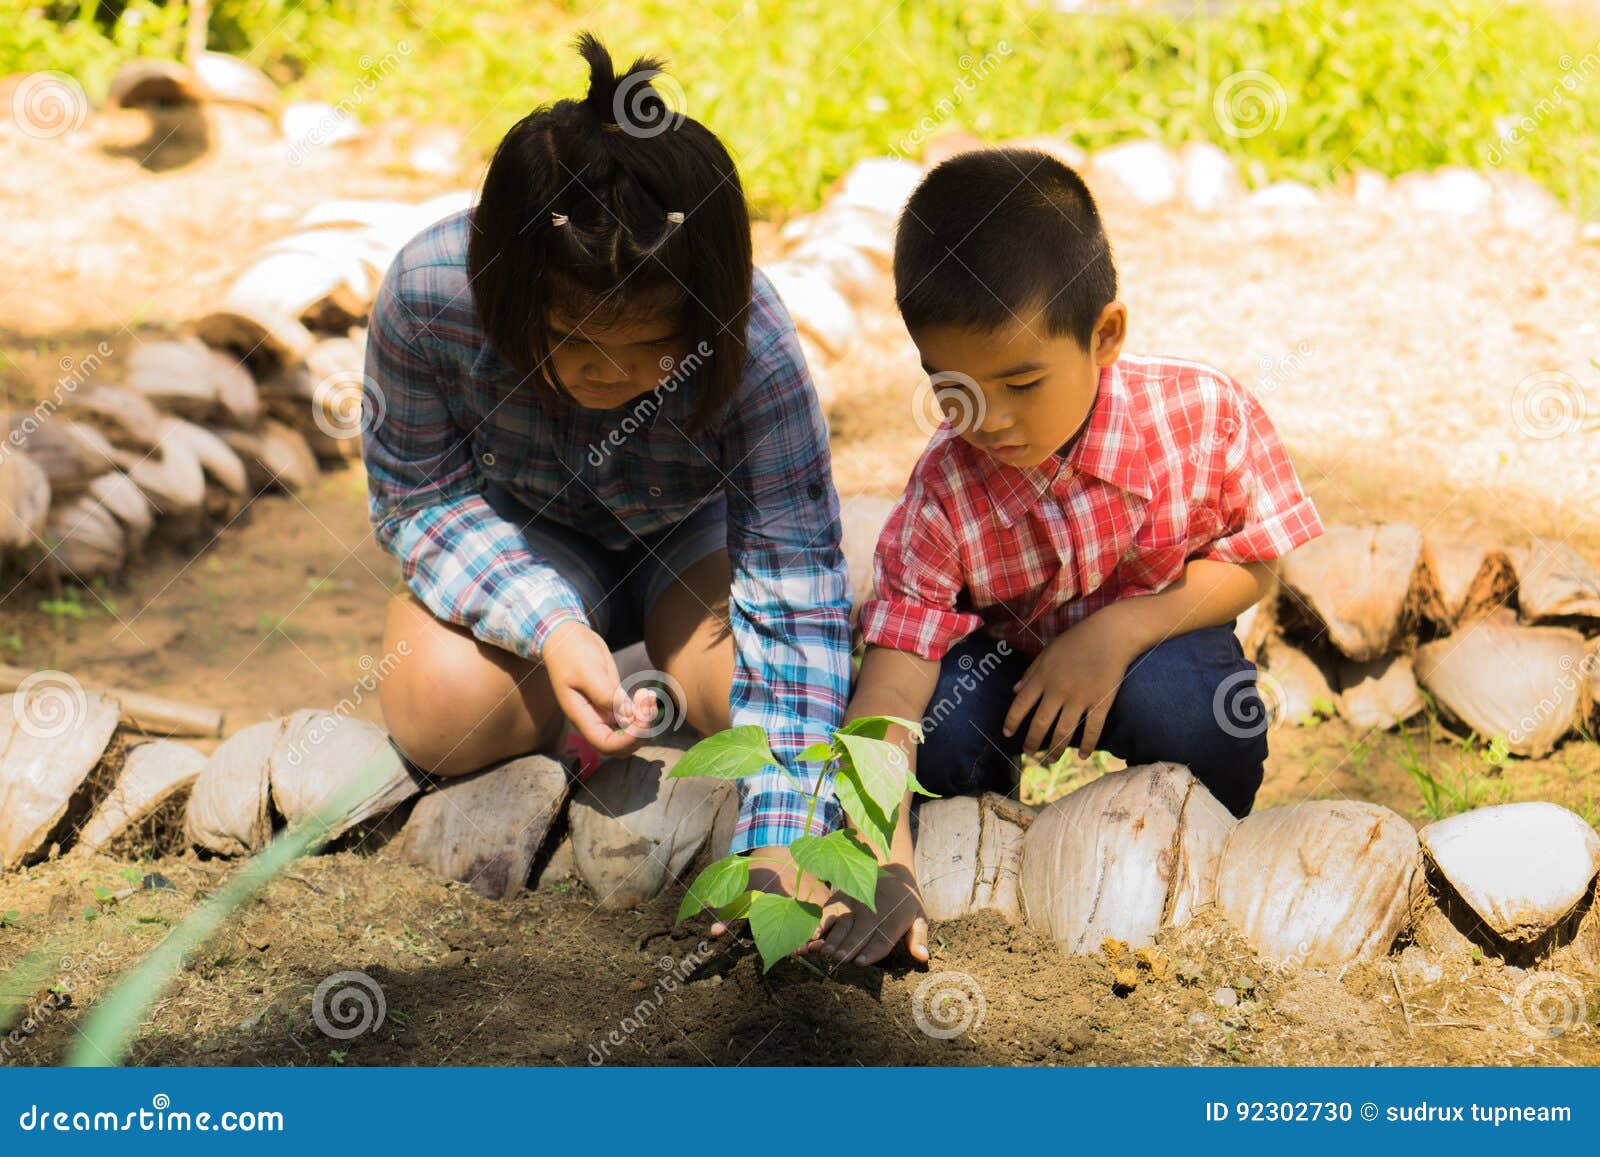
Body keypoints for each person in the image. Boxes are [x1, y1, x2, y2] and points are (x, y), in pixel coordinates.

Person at [805, 146, 1325, 966]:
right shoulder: (943, 493)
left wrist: (1117, 632)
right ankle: (992, 834)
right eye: (954, 389)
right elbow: (894, 678)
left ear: (1105, 334)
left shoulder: (1200, 415)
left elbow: (1257, 564)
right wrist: (880, 851)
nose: (989, 420)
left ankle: (1186, 850)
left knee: (1206, 718)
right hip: (1004, 667)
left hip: (1156, 639)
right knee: (938, 744)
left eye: (1021, 382)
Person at [362, 33, 851, 890]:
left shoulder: (756, 342)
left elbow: (795, 579)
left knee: (755, 705)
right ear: (507, 291)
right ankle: (587, 674)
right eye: (571, 340)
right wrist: (548, 623)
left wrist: (785, 843)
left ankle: (637, 672)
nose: (611, 373)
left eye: (653, 346)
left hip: (695, 543)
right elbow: (419, 502)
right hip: (522, 528)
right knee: (439, 712)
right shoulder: (430, 295)